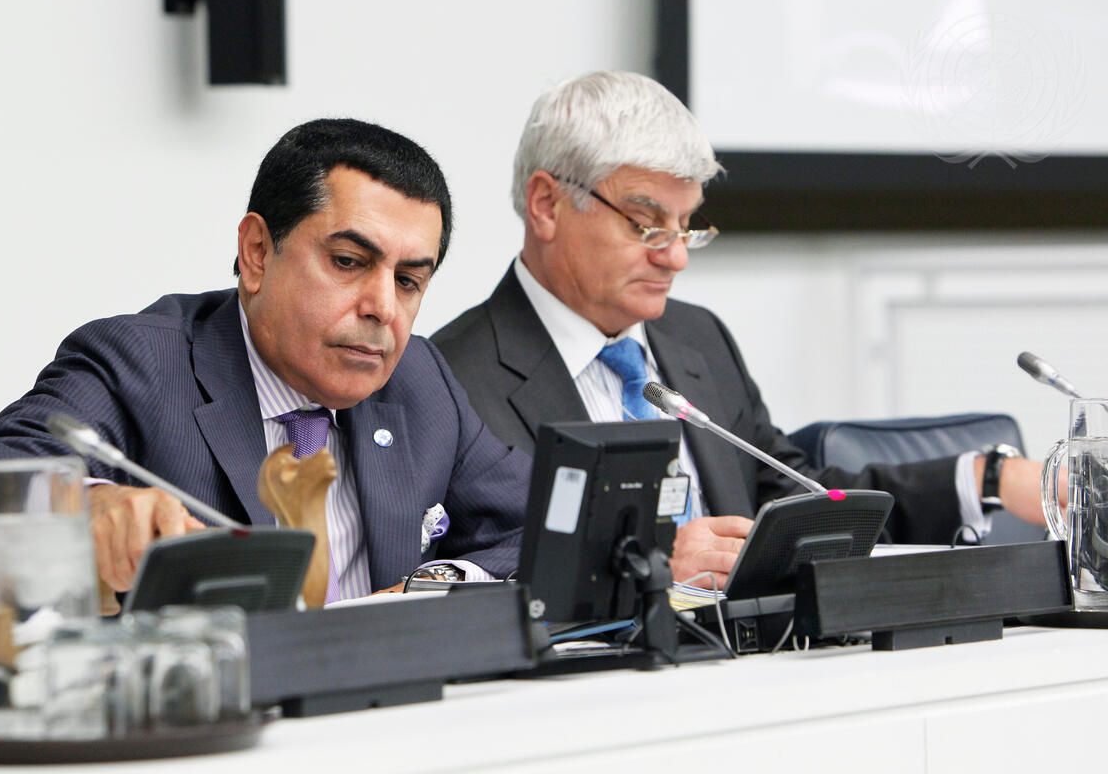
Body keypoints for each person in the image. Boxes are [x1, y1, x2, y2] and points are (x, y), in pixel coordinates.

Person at [432, 71, 1048, 585]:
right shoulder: (451, 380)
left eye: (687, 227)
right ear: (547, 204)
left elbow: (803, 499)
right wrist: (650, 568)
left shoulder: (696, 339)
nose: (676, 257)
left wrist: (984, 479)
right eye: (648, 225)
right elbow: (458, 578)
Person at [0, 118, 530, 599]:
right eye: (348, 262)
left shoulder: (418, 382)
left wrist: (427, 589)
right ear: (257, 252)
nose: (382, 308)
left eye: (408, 281)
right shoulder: (143, 364)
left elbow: (544, 524)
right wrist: (88, 504)